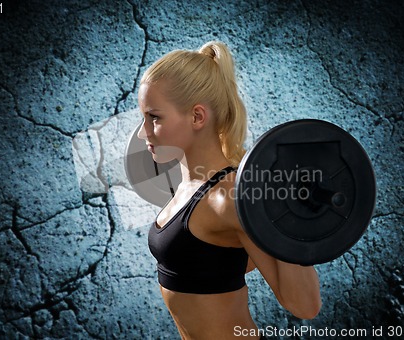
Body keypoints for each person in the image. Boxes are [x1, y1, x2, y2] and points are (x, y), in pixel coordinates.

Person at [137, 41, 322, 339]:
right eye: (143, 117)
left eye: (154, 117)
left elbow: (306, 305)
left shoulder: (232, 196)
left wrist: (288, 217)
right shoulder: (192, 186)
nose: (143, 131)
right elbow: (223, 261)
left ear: (197, 117)